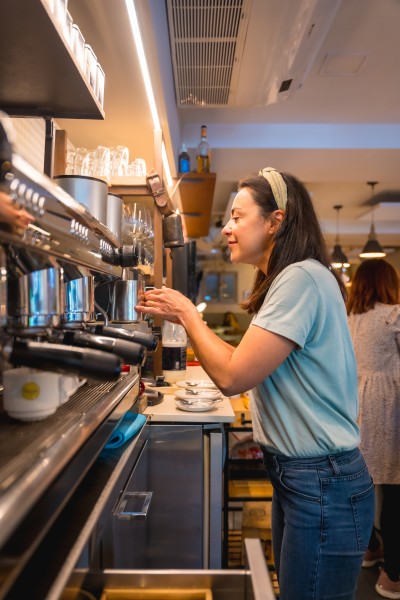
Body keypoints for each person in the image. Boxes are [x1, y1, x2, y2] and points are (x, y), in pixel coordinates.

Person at [137, 167, 374, 600]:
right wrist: (186, 319)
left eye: (237, 216)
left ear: (275, 222)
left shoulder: (300, 278)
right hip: (305, 478)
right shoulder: (292, 278)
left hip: (322, 481)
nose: (226, 228)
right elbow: (241, 361)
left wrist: (188, 314)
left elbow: (232, 377)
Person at [347, 258, 400, 599]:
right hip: (389, 405)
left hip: (353, 404)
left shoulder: (349, 318)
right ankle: (393, 575)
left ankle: (370, 549)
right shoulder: (394, 315)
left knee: (361, 483)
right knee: (395, 491)